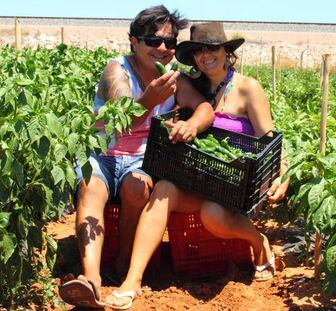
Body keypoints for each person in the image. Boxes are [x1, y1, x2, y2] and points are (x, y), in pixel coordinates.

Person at [104, 22, 289, 310]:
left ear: (227, 51)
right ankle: (132, 281)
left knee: (213, 214)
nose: (206, 55)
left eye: (213, 48)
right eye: (199, 50)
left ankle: (258, 241)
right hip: (196, 177)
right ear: (193, 57)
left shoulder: (247, 88)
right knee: (163, 189)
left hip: (233, 185)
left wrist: (283, 174)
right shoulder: (191, 86)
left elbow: (269, 138)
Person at [59, 7, 215, 309]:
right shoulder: (116, 70)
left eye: (170, 43)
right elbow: (122, 118)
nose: (163, 49)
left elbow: (205, 108)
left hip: (139, 160)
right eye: (153, 41)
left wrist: (192, 124)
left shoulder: (173, 79)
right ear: (134, 41)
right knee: (91, 189)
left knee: (137, 188)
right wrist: (149, 101)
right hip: (102, 153)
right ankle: (91, 279)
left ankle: (122, 259)